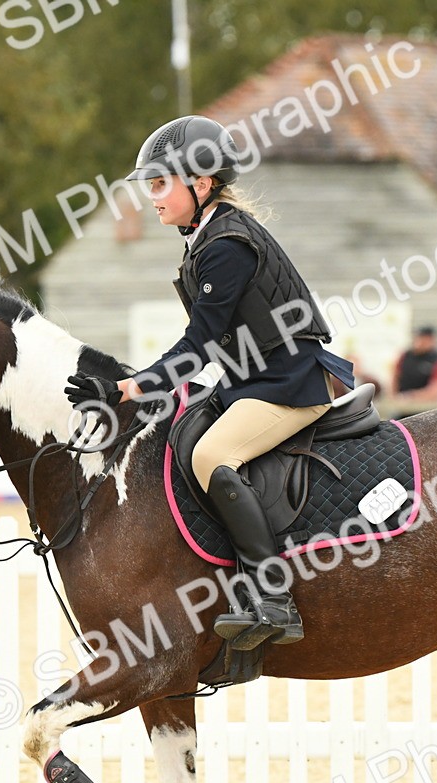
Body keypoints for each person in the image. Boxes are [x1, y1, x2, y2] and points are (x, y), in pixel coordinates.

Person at [64, 115, 355, 651]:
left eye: (160, 184)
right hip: (254, 378)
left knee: (211, 456)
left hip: (289, 383)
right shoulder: (207, 236)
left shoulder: (225, 245)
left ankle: (273, 596)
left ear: (200, 184)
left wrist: (126, 389)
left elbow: (198, 345)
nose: (151, 197)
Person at [392, 326, 437, 404]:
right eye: (421, 338)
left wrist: (410, 397)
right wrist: (395, 398)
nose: (422, 342)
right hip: (401, 403)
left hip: (426, 405)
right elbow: (395, 377)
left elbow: (436, 391)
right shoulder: (405, 356)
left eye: (427, 339)